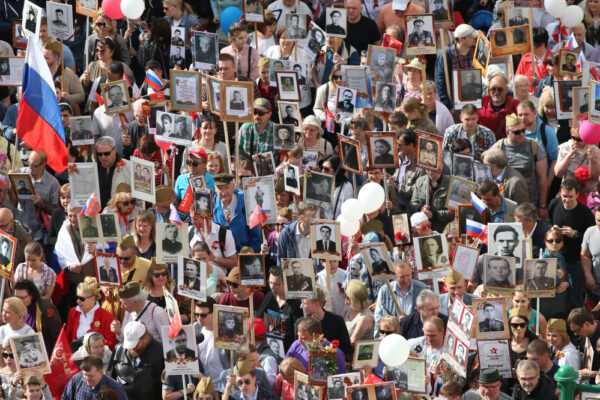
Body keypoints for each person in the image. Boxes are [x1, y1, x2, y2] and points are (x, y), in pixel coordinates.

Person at [107, 321, 164, 400]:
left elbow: (165, 385)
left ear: (143, 339)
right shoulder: (119, 349)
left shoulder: (160, 352)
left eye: (134, 345)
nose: (131, 350)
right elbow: (109, 378)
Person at [62, 356, 128, 400]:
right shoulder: (77, 379)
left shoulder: (115, 388)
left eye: (91, 376)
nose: (86, 378)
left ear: (101, 372)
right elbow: (65, 397)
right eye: (85, 374)